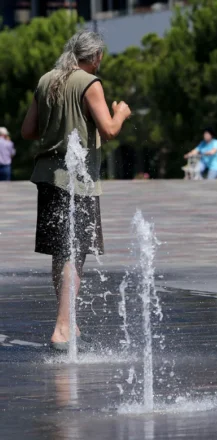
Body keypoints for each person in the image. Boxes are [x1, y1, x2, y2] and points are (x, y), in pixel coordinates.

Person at [20, 30, 131, 350]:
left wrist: (58, 120)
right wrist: (121, 112)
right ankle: (63, 328)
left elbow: (28, 131)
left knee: (61, 251)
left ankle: (70, 324)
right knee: (75, 253)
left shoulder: (46, 80)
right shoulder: (89, 83)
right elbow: (109, 130)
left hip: (47, 177)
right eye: (101, 58)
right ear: (95, 57)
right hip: (78, 181)